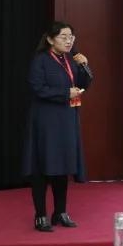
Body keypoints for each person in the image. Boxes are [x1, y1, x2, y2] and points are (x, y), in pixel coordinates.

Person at [22, 21, 92, 232]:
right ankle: (41, 215)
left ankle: (60, 212)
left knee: (63, 165)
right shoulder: (41, 60)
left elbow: (83, 84)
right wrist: (64, 93)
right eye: (64, 37)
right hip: (46, 121)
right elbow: (37, 88)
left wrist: (84, 66)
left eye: (71, 37)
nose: (69, 41)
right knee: (42, 167)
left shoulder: (71, 59)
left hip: (67, 119)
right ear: (51, 39)